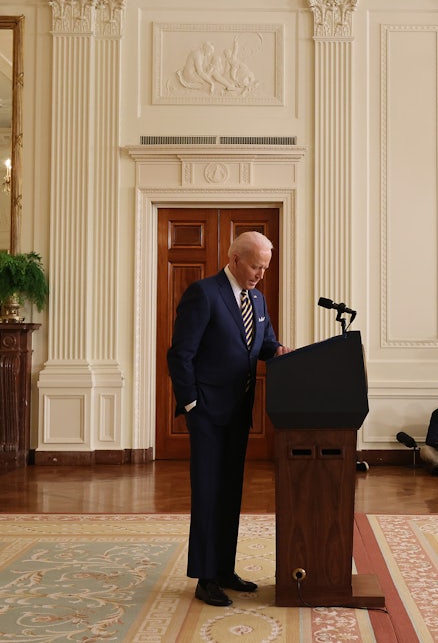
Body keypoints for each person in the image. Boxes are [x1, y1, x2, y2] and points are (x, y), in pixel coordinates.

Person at [166, 231, 291, 608]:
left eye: (265, 268)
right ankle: (204, 578)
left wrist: (283, 352)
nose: (260, 274)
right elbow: (179, 355)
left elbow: (263, 344)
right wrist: (191, 405)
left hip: (239, 413)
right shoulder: (204, 293)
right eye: (256, 266)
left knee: (230, 493)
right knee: (208, 494)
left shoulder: (258, 298)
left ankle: (224, 569)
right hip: (206, 413)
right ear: (235, 258)